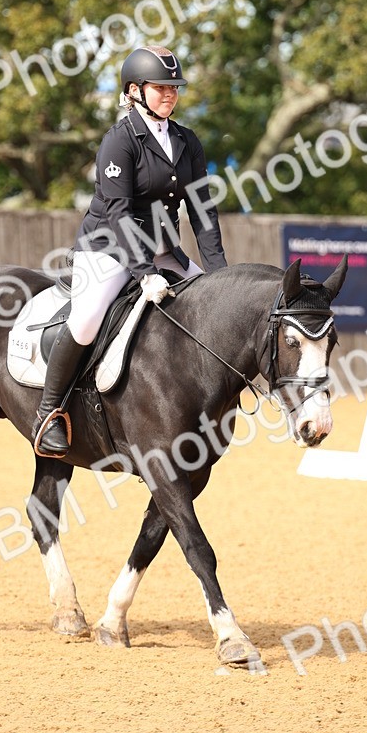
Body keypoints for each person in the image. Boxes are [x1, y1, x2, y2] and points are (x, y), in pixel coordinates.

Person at [32, 43, 228, 456]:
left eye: (175, 87)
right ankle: (49, 412)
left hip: (161, 250)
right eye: (161, 87)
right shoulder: (119, 142)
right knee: (86, 320)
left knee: (213, 310)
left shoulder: (186, 141)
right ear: (135, 91)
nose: (171, 94)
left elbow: (202, 212)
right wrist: (143, 273)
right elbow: (120, 213)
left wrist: (220, 275)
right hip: (107, 248)